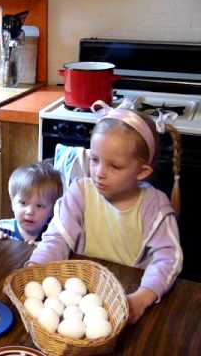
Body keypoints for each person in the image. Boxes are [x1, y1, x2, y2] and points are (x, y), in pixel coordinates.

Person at [27, 99, 183, 324]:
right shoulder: (79, 193)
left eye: (114, 166)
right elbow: (57, 239)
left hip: (128, 294)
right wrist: (35, 268)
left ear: (142, 172)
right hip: (78, 295)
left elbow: (169, 259)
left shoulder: (154, 206)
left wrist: (142, 297)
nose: (99, 173)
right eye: (94, 160)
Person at [0, 160, 63, 245]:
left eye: (39, 206)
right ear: (12, 203)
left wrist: (46, 249)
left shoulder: (53, 235)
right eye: (23, 203)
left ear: (52, 211)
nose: (30, 211)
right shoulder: (0, 228)